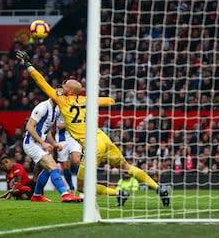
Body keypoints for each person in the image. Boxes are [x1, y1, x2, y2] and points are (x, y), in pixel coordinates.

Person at [16, 51, 170, 207]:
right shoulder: (85, 99)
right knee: (126, 167)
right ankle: (159, 188)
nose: (62, 86)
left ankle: (118, 193)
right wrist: (115, 99)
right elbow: (106, 101)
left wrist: (28, 65)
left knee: (82, 186)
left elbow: (41, 82)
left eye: (65, 85)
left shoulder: (62, 101)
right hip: (102, 137)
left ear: (69, 91)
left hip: (92, 146)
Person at [22, 98, 83, 203]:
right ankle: (65, 194)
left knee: (47, 170)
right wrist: (43, 143)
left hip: (40, 144)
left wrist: (54, 143)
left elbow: (47, 129)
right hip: (31, 144)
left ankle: (36, 195)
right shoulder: (42, 107)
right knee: (53, 166)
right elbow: (29, 127)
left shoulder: (55, 110)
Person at [55, 110, 82, 193]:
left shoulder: (76, 106)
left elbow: (80, 122)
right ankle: (71, 188)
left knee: (76, 160)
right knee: (66, 167)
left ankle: (82, 187)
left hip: (74, 137)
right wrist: (73, 123)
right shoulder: (58, 108)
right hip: (61, 139)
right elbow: (59, 126)